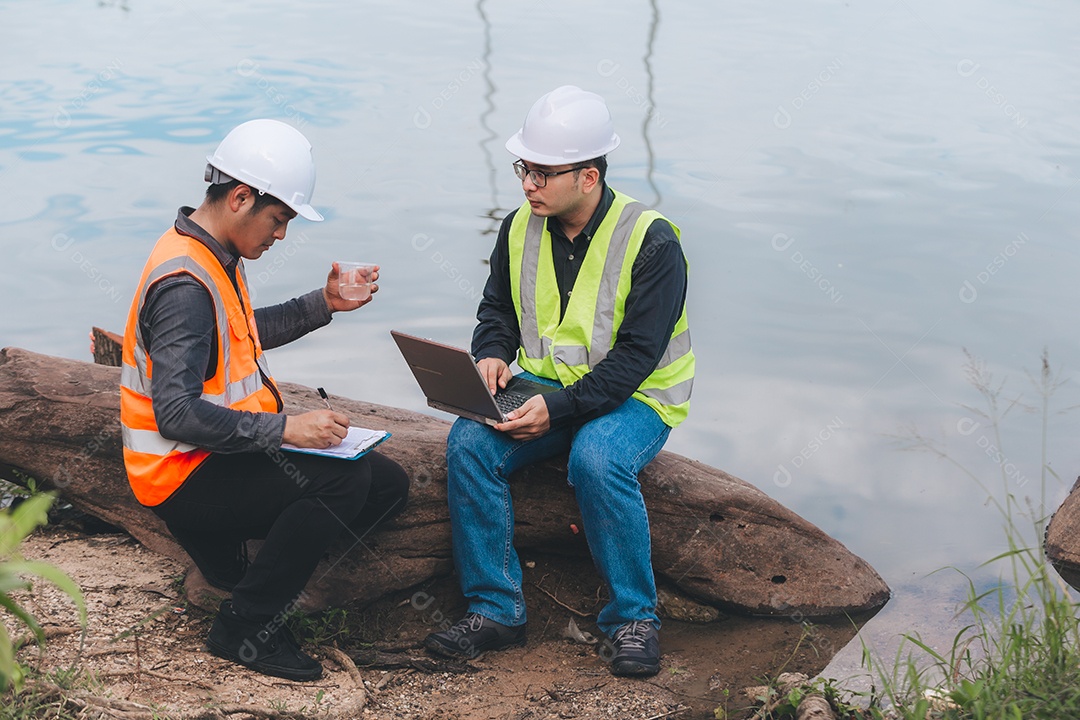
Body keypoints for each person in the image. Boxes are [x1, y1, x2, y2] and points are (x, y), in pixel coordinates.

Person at [119, 119, 409, 682]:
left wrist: (322, 303)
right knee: (343, 482)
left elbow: (241, 333)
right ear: (240, 198)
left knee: (387, 484)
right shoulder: (184, 286)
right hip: (179, 475)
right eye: (278, 220)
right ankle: (245, 625)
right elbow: (175, 414)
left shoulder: (211, 254)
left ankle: (240, 567)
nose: (279, 236)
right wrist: (288, 432)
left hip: (217, 456)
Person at [423, 86, 694, 677]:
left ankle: (634, 620)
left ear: (589, 176)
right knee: (469, 443)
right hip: (549, 386)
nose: (527, 185)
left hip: (639, 399)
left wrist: (561, 410)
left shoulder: (653, 242)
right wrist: (491, 355)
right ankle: (497, 611)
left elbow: (636, 359)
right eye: (524, 169)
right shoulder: (519, 227)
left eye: (543, 173)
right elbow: (496, 310)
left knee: (597, 460)